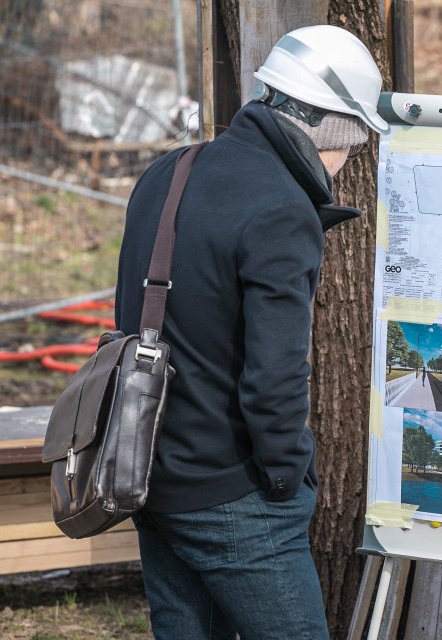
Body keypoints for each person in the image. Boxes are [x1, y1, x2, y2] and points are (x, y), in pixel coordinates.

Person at [113, 25, 388, 640]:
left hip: (145, 469)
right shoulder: (282, 209)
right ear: (334, 129)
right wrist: (289, 479)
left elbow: (134, 316)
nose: (348, 162)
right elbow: (275, 377)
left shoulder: (169, 171)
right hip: (235, 493)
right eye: (355, 143)